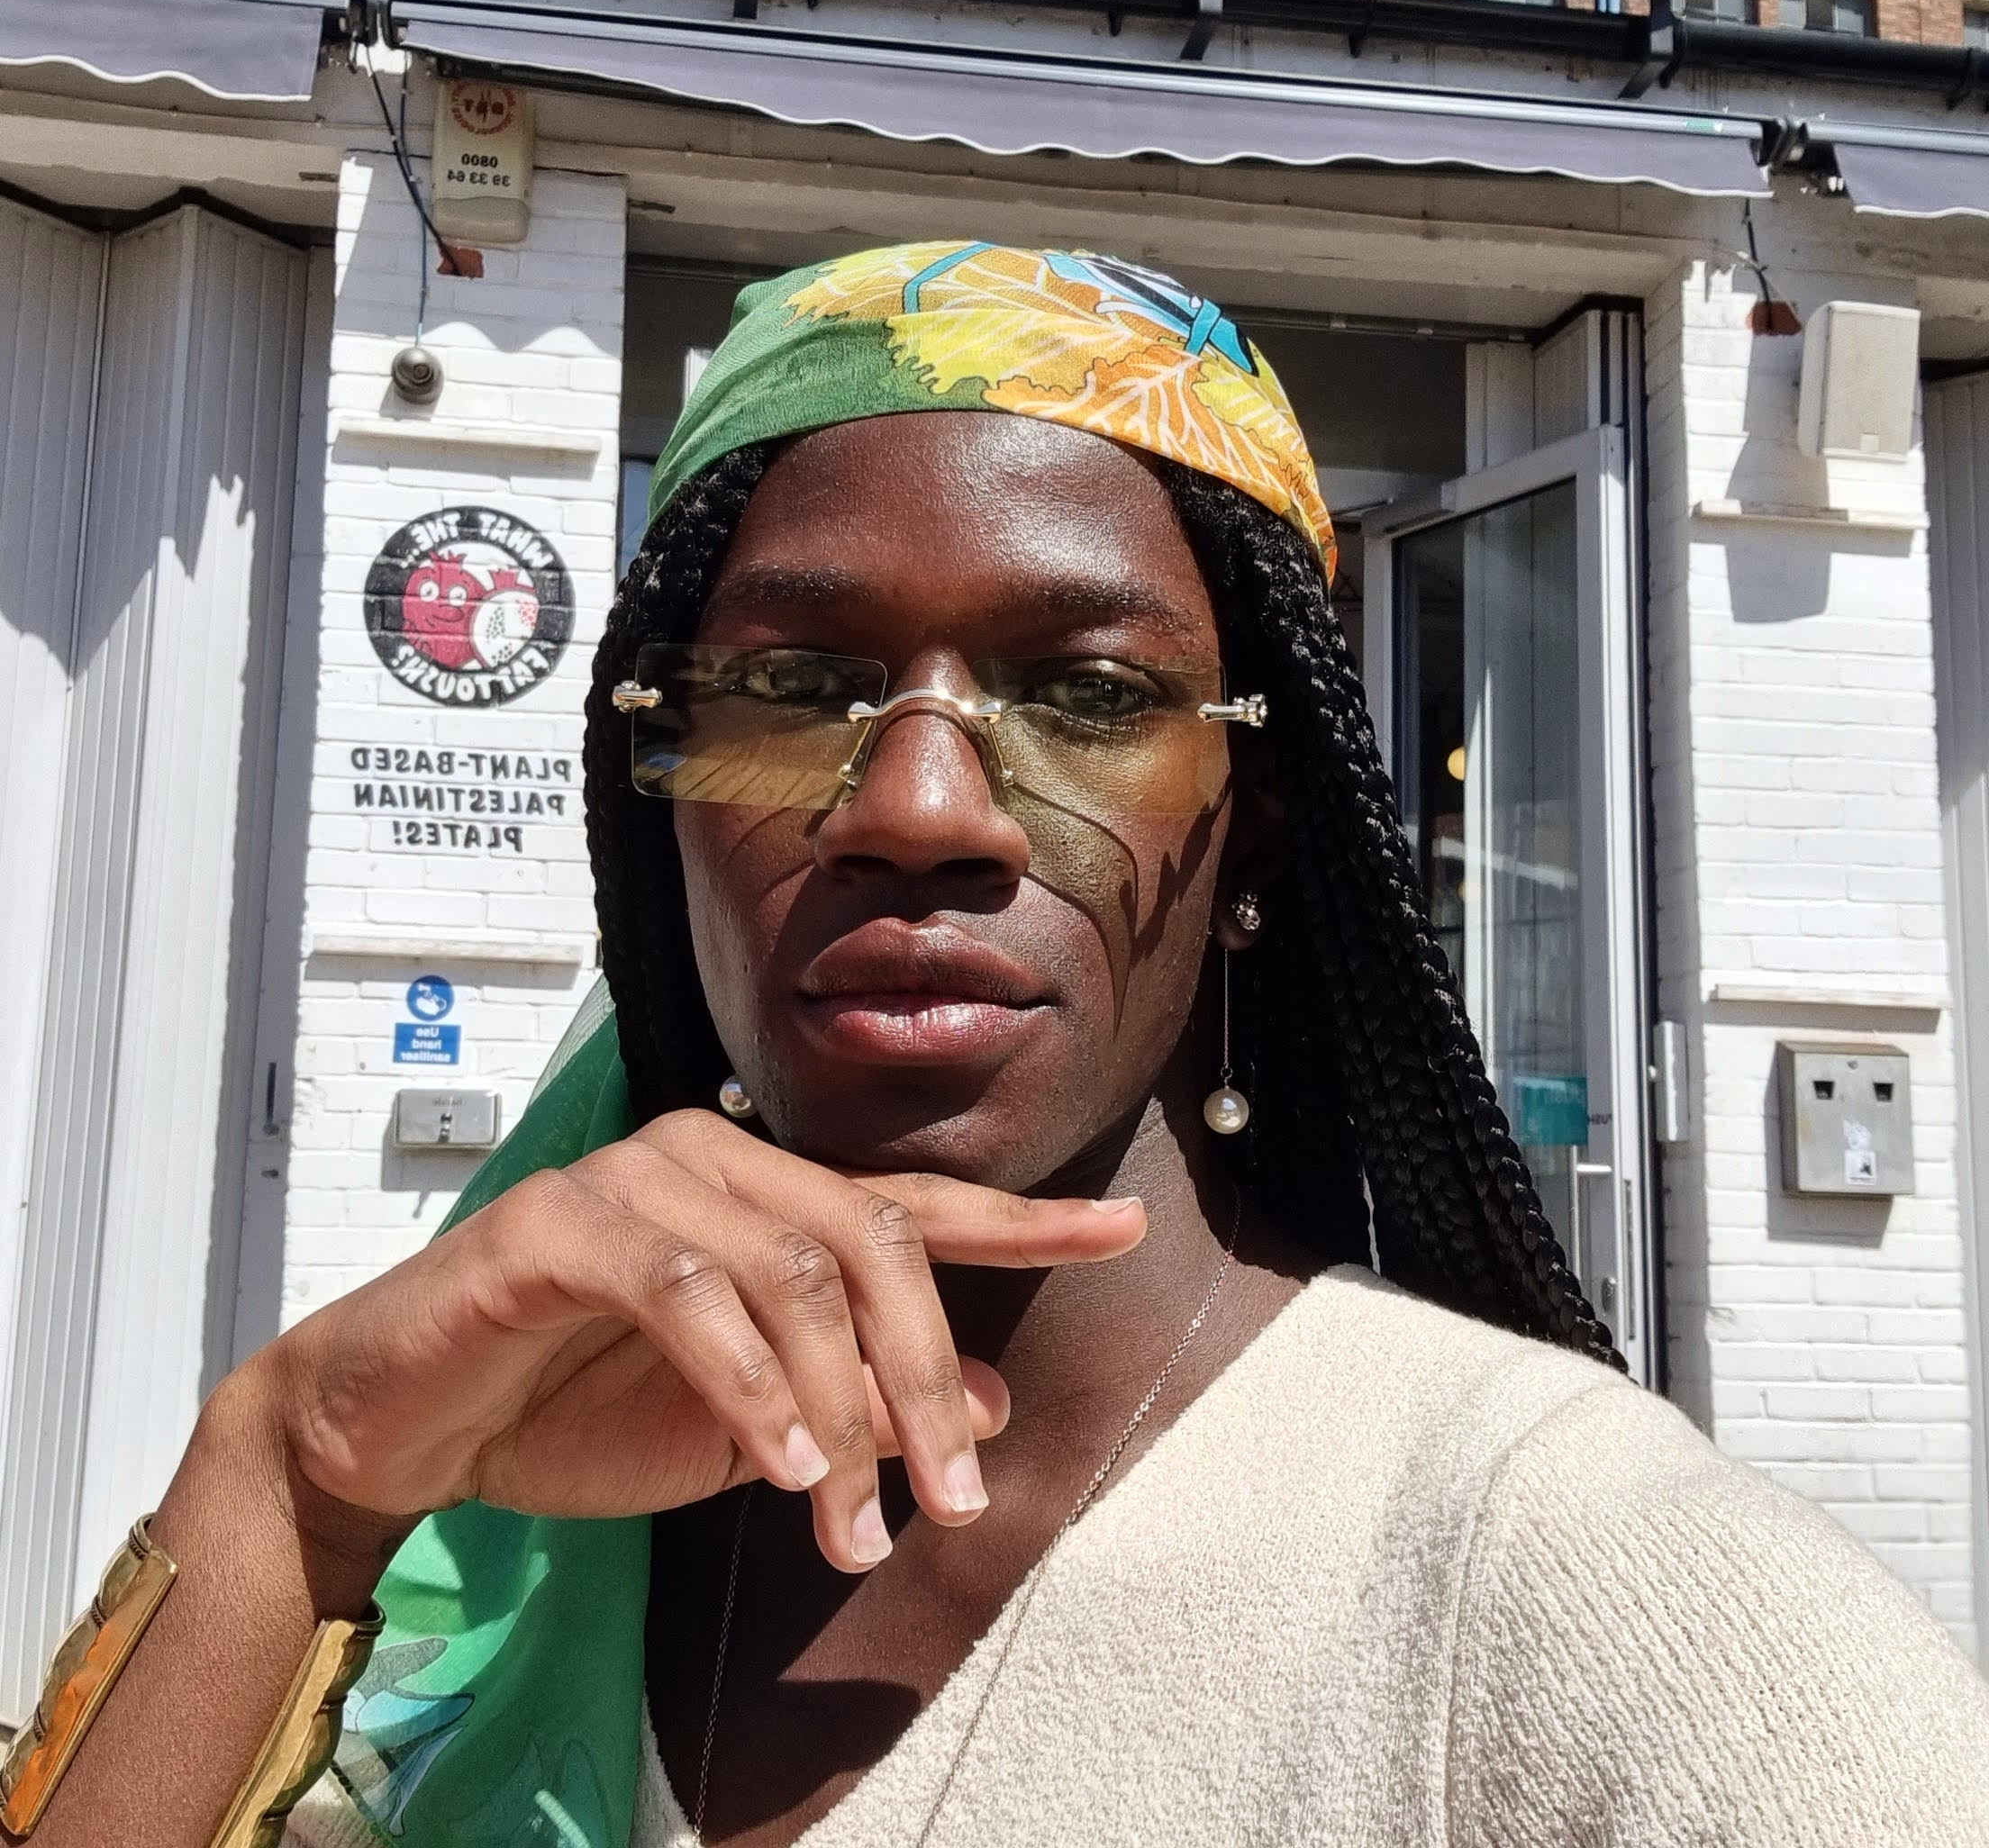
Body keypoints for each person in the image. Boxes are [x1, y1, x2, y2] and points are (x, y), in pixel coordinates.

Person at [15, 243, 1988, 1848]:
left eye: (1086, 689)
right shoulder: (493, 1516)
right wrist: (299, 1480)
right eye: (796, 683)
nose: (926, 807)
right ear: (659, 797)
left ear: (1250, 839)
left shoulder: (1580, 1583)